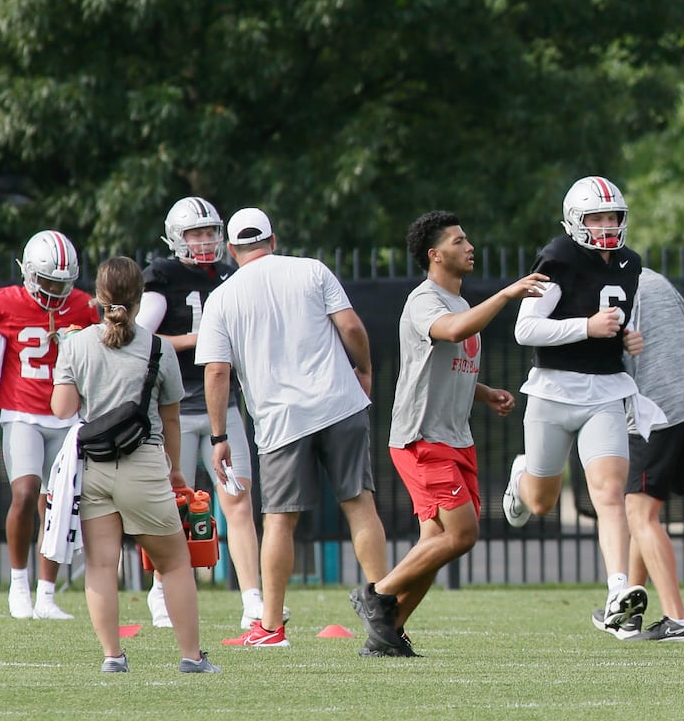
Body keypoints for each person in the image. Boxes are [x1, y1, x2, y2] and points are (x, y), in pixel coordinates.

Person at [351, 211, 547, 657]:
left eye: (467, 239)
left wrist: (484, 393)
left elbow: (442, 367)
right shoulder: (425, 300)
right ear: (435, 255)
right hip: (423, 438)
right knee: (461, 534)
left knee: (435, 542)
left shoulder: (460, 303)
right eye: (459, 241)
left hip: (455, 437)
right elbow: (454, 332)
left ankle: (387, 634)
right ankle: (375, 593)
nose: (469, 246)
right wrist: (509, 292)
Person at [195, 207, 391, 650]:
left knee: (280, 522)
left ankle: (271, 628)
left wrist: (220, 436)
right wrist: (363, 370)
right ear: (273, 240)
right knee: (360, 506)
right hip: (339, 403)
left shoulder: (223, 298)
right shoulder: (312, 271)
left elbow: (216, 373)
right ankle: (386, 615)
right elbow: (352, 326)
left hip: (281, 421)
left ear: (231, 249)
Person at [51, 256, 220, 674]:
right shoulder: (157, 347)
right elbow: (172, 418)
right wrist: (175, 470)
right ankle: (191, 657)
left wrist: (67, 360)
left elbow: (63, 409)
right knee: (175, 562)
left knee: (102, 564)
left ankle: (113, 656)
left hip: (94, 464)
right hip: (144, 462)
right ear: (140, 300)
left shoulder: (76, 345)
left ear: (97, 298)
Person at [502, 176, 649, 636]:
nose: (607, 226)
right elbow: (526, 330)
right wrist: (587, 327)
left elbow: (616, 315)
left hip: (605, 390)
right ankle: (520, 477)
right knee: (541, 503)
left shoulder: (630, 262)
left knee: (609, 492)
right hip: (552, 391)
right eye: (596, 218)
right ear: (574, 222)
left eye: (613, 217)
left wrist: (627, 335)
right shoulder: (559, 257)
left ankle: (617, 593)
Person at [136, 196, 270, 631]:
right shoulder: (164, 276)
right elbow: (144, 337)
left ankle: (252, 599)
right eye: (195, 234)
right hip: (174, 407)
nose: (205, 241)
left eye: (211, 232)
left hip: (223, 404)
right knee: (173, 504)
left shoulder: (232, 275)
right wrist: (203, 340)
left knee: (238, 501)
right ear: (177, 238)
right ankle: (160, 591)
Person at [0, 230, 100, 620]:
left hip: (66, 418)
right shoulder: (3, 304)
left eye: (62, 284)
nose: (54, 292)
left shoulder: (83, 307)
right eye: (46, 282)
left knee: (58, 504)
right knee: (26, 493)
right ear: (28, 273)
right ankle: (18, 584)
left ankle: (46, 594)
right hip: (21, 412)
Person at [615, 267, 684, 642]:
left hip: (655, 411)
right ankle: (628, 613)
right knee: (641, 510)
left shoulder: (606, 288)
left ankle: (679, 621)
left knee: (639, 513)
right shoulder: (653, 277)